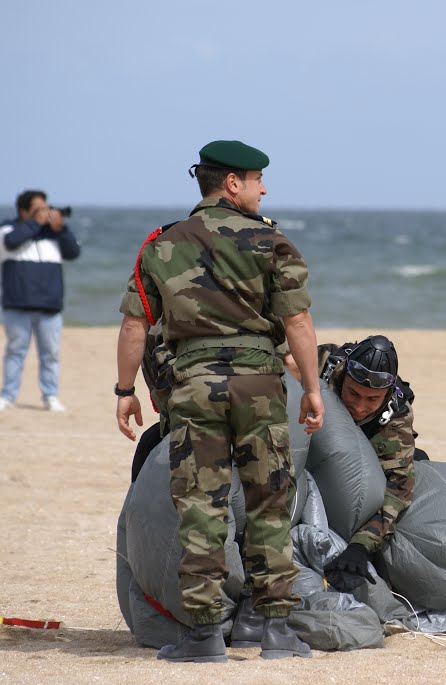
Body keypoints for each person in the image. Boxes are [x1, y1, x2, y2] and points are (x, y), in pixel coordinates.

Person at [114, 140, 324, 662]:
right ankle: (275, 630)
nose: (264, 187)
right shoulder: (271, 241)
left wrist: (125, 391)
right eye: (257, 179)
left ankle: (204, 635)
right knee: (269, 502)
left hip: (194, 387)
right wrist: (314, 389)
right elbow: (297, 321)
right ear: (232, 183)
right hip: (258, 385)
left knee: (201, 508)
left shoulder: (161, 246)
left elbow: (135, 323)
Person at [312, 336, 421, 591]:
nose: (360, 407)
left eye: (372, 400)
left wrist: (361, 545)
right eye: (353, 393)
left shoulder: (396, 419)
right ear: (343, 376)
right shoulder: (320, 363)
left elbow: (399, 490)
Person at [0, 190, 81, 412]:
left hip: (49, 305)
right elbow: (10, 241)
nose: (45, 213)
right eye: (38, 210)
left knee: (51, 354)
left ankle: (50, 395)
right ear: (23, 211)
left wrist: (61, 229)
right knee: (15, 352)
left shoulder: (54, 234)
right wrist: (35, 224)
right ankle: (7, 395)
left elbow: (74, 252)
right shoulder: (9, 228)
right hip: (18, 304)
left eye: (46, 208)